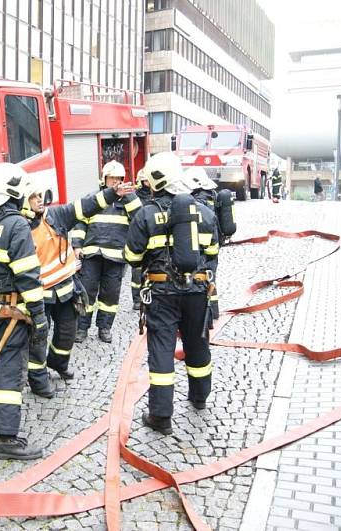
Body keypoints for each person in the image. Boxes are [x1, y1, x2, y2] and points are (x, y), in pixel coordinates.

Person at [124, 152, 218, 436]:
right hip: (198, 290)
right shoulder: (205, 213)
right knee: (198, 344)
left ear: (155, 181)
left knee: (162, 351)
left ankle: (161, 416)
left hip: (162, 292)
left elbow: (131, 255)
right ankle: (200, 397)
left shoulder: (147, 213)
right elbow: (212, 253)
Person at [21, 175, 135, 394]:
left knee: (67, 331)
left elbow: (85, 205)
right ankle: (37, 379)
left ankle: (58, 363)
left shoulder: (55, 215)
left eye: (40, 195)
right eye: (33, 197)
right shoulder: (20, 227)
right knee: (38, 337)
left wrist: (113, 193)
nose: (39, 199)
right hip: (38, 295)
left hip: (65, 290)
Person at [0, 163, 47, 460]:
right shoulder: (15, 225)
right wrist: (38, 314)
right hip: (10, 311)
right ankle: (6, 438)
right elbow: (27, 274)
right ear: (16, 191)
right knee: (9, 370)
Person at [73, 160, 141, 343]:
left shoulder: (130, 200)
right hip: (92, 254)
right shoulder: (94, 198)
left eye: (119, 179)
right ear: (104, 179)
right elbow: (80, 222)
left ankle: (104, 328)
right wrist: (77, 245)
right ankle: (81, 328)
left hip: (116, 256)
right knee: (86, 293)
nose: (116, 182)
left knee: (110, 295)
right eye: (112, 179)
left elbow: (139, 223)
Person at [182, 167, 222, 321]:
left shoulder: (198, 201)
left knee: (200, 278)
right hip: (212, 243)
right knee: (211, 277)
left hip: (200, 245)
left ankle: (206, 316)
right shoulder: (212, 195)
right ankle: (213, 312)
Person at [131, 168, 154, 311]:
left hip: (152, 236)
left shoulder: (155, 196)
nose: (147, 183)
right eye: (145, 181)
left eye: (149, 181)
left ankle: (149, 296)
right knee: (137, 270)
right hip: (139, 236)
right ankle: (136, 299)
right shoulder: (135, 197)